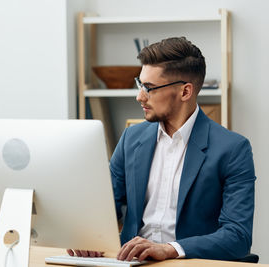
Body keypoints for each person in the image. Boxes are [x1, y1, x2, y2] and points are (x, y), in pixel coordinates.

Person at [68, 37, 256, 262]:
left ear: (185, 92)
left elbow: (238, 236)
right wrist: (89, 238)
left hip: (189, 263)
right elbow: (105, 209)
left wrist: (170, 249)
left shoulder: (233, 149)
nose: (140, 96)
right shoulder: (131, 138)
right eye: (140, 84)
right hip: (132, 263)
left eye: (150, 88)